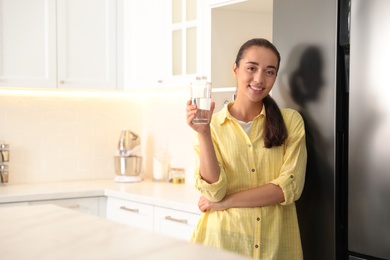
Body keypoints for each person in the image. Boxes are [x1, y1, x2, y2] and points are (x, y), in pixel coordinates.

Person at [186, 38, 307, 259]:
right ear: (235, 69)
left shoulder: (291, 122)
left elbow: (289, 188)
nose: (259, 79)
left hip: (275, 247)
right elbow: (214, 191)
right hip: (220, 244)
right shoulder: (211, 126)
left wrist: (223, 203)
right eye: (251, 68)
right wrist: (203, 134)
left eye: (269, 72)